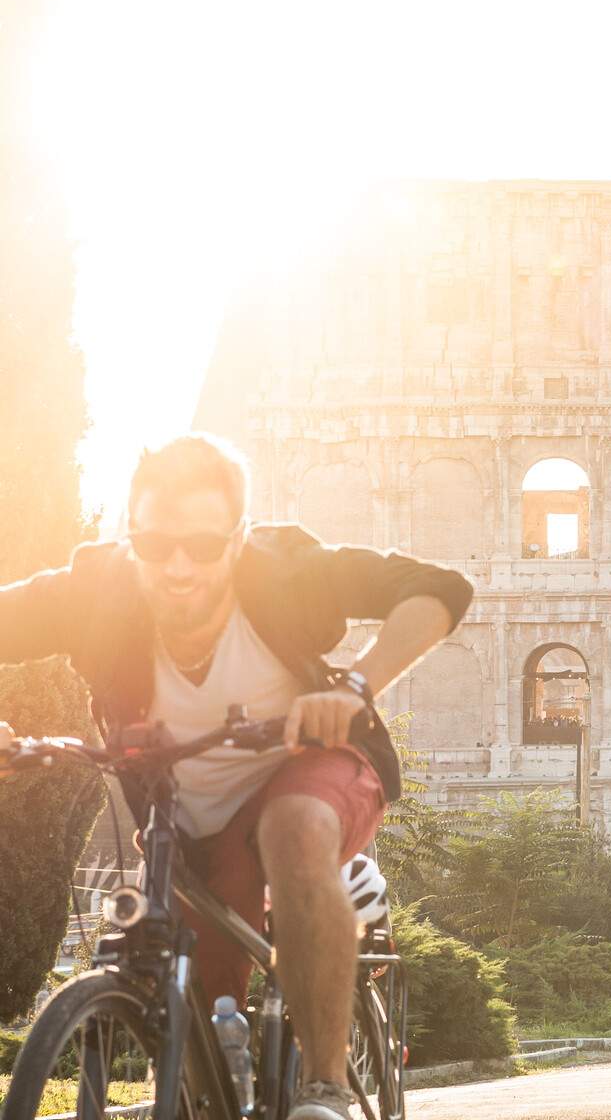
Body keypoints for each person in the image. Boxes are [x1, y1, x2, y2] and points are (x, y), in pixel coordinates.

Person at [0, 435, 472, 1120]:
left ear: (240, 536)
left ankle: (326, 1088)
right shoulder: (96, 591)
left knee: (294, 826)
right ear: (133, 538)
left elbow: (438, 590)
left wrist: (356, 687)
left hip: (313, 767)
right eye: (157, 546)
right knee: (208, 1033)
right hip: (191, 823)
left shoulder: (288, 570)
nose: (179, 567)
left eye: (204, 544)